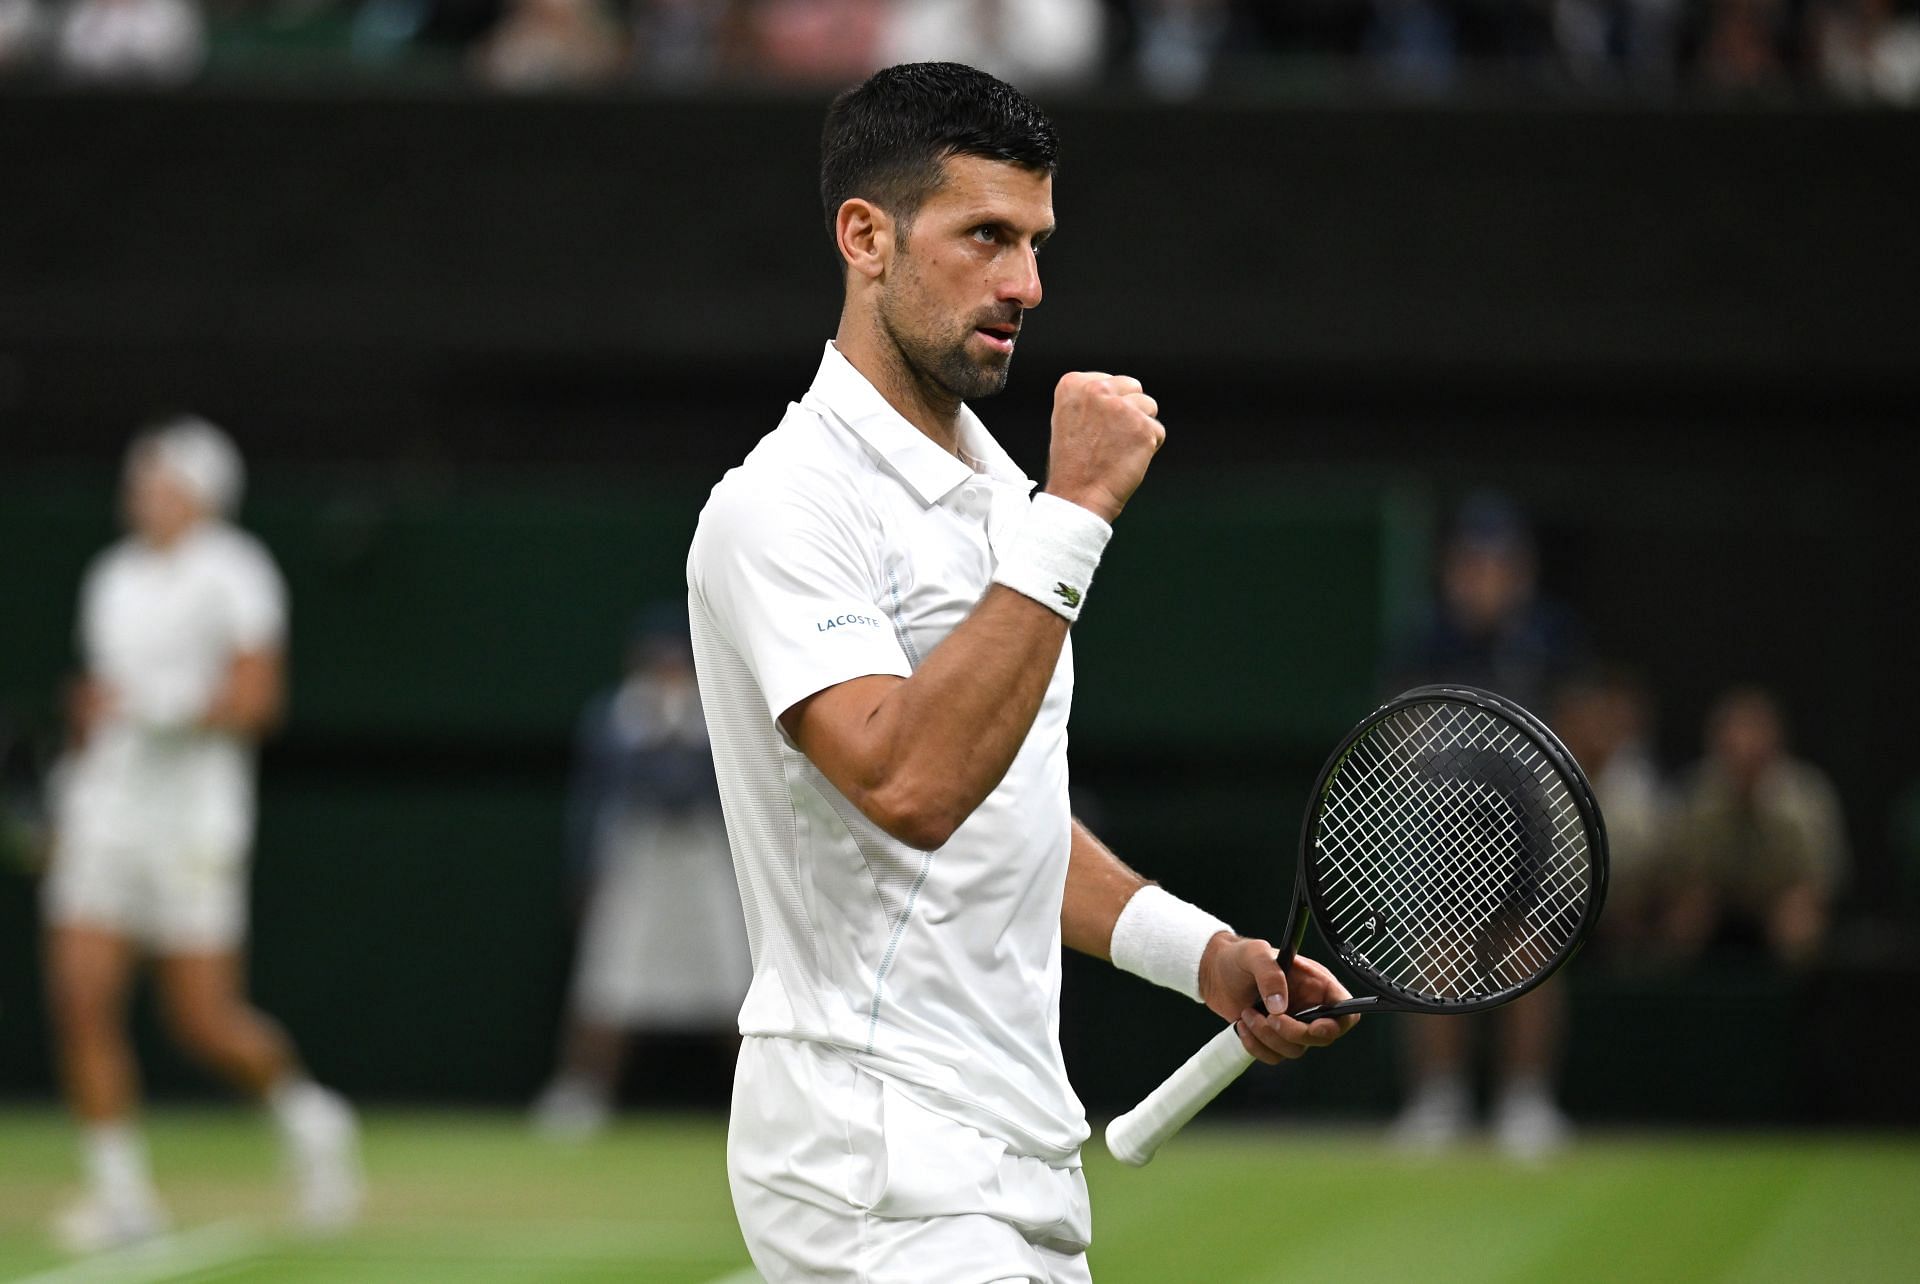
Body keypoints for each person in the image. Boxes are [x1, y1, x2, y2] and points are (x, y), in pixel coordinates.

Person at [685, 62, 1358, 1282]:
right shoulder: (780, 506)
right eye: (986, 236)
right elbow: (910, 785)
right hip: (872, 1154)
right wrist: (1082, 508)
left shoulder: (1002, 497)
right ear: (866, 238)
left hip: (1005, 1156)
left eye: (1037, 242)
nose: (1025, 286)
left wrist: (1202, 957)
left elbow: (1004, 822)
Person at [41, 418, 360, 1253]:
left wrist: (153, 711)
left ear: (200, 493)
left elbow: (259, 702)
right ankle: (121, 1195)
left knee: (203, 1021)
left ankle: (312, 1120)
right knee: (79, 998)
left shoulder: (237, 573)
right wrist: (76, 766)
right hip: (102, 815)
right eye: (138, 478)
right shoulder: (109, 576)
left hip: (194, 823)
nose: (139, 492)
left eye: (157, 480)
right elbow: (98, 703)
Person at [1386, 493, 1585, 1159]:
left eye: (1500, 561)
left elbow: (1582, 720)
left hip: (1532, 815)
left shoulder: (1550, 635)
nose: (1488, 574)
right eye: (1475, 561)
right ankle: (1439, 1099)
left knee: (1531, 951)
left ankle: (1526, 1102)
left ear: (1522, 569)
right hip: (1446, 817)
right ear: (1454, 569)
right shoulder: (1428, 635)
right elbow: (1400, 728)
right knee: (1437, 949)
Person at [531, 608, 749, 1137]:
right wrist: (583, 874)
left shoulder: (722, 712)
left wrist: (683, 734)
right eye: (658, 662)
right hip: (636, 860)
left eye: (677, 661)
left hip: (705, 860)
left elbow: (717, 792)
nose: (668, 673)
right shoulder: (614, 716)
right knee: (607, 982)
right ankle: (581, 1093)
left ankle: (762, 1100)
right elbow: (595, 800)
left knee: (736, 985)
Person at [1661, 687, 1848, 968]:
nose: (1745, 753)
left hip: (1779, 904)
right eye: (1733, 747)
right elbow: (1678, 878)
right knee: (1684, 919)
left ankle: (1798, 1006)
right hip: (1716, 905)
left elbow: (1823, 882)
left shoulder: (1809, 797)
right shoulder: (1695, 795)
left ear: (1776, 746)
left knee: (1801, 923)